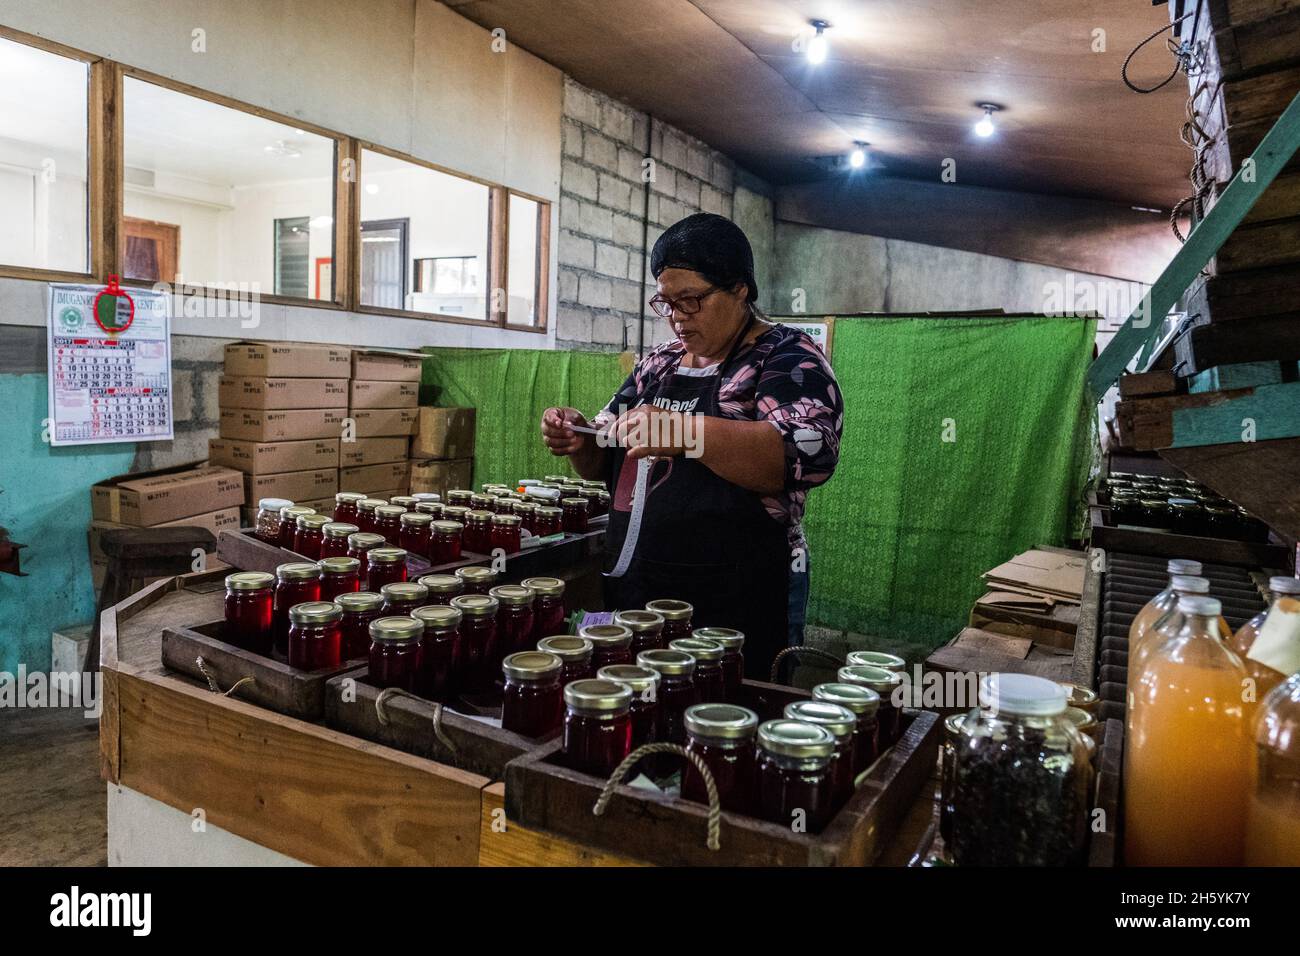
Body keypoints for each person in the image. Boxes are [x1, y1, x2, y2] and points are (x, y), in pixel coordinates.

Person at [540, 213, 842, 678]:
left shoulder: (785, 356)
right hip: (642, 582)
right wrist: (578, 437)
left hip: (736, 595)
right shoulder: (659, 363)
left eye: (692, 300)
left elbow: (805, 453)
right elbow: (607, 456)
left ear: (740, 289)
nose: (678, 317)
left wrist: (687, 432)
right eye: (667, 303)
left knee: (728, 715)